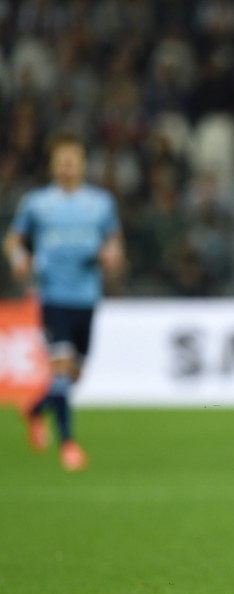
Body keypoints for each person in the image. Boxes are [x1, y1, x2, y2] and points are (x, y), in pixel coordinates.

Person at [3, 132, 124, 471]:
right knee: (59, 373)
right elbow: (13, 240)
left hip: (87, 300)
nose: (69, 165)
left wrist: (112, 254)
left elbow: (114, 240)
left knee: (74, 376)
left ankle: (34, 409)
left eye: (74, 159)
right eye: (63, 160)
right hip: (54, 298)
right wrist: (18, 259)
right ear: (55, 165)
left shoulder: (100, 203)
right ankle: (69, 445)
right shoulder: (37, 203)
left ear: (83, 164)